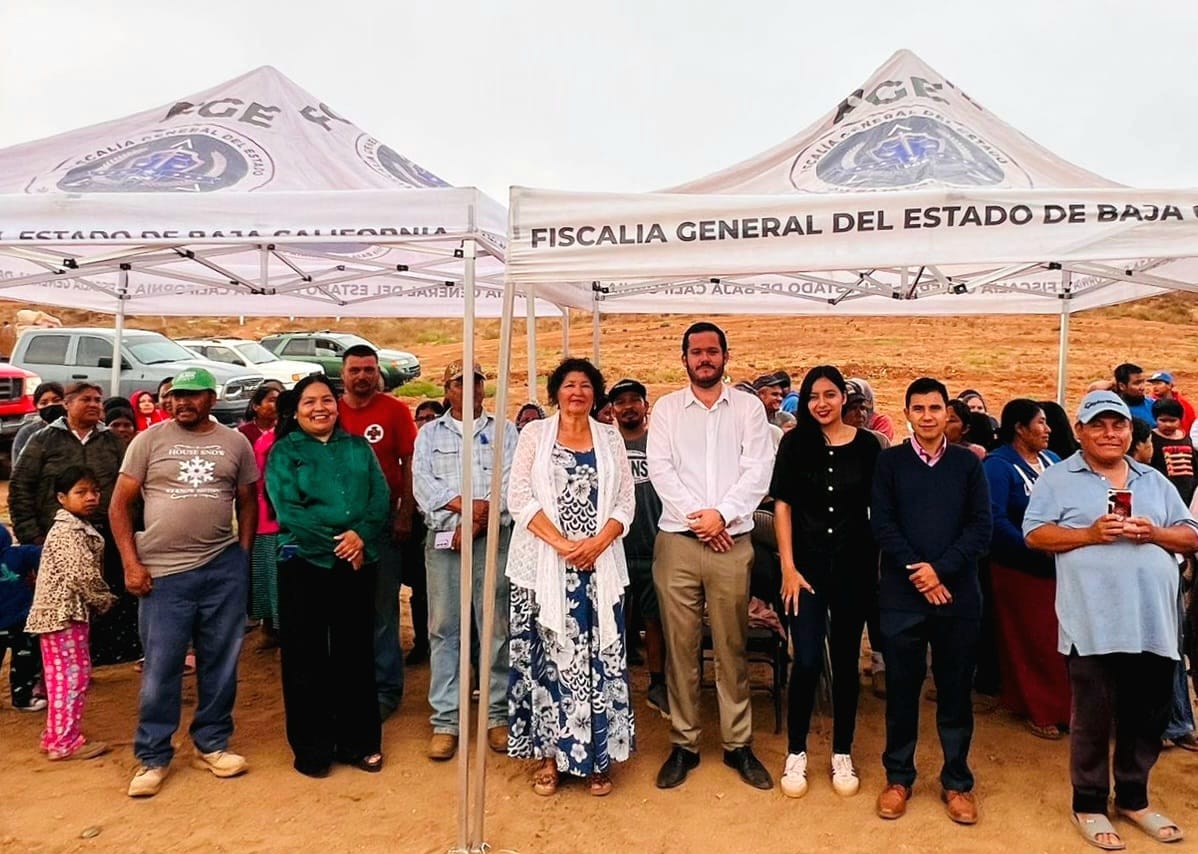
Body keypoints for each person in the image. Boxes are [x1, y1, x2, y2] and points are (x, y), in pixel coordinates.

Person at [1024, 389, 1197, 849]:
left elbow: (1190, 535)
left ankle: (1134, 799)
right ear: (1080, 431)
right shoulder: (1058, 478)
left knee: (1147, 715)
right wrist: (1088, 534)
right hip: (1092, 623)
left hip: (1154, 622)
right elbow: (1035, 535)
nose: (1109, 433)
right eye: (1097, 425)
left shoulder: (1153, 480)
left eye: (1117, 424)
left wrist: (1154, 532)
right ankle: (1089, 803)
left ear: (1129, 430)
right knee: (1093, 718)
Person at [109, 367, 258, 798]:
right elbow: (119, 506)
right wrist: (131, 563)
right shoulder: (148, 441)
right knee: (161, 667)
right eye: (176, 396)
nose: (181, 402)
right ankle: (153, 756)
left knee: (221, 662)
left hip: (221, 568)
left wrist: (242, 557)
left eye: (192, 395)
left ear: (212, 399)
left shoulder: (235, 442)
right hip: (163, 573)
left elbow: (248, 502)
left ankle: (211, 743)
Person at [648, 322, 774, 791]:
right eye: (696, 352)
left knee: (731, 645)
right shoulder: (666, 409)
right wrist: (702, 520)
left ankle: (738, 744)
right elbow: (660, 470)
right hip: (678, 543)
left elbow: (758, 469)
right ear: (684, 358)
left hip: (731, 544)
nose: (705, 358)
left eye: (712, 351)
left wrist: (722, 516)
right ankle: (684, 743)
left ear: (725, 356)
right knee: (680, 648)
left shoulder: (747, 408)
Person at [507, 358, 636, 797]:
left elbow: (626, 502)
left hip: (598, 567)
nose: (576, 392)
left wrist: (597, 543)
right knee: (546, 664)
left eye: (585, 385)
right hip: (543, 569)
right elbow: (518, 497)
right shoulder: (534, 434)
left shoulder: (610, 438)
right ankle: (549, 758)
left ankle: (597, 760)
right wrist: (564, 545)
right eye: (568, 385)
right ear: (555, 392)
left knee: (597, 663)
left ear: (595, 394)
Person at [871, 377, 991, 826]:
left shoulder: (967, 464)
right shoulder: (890, 462)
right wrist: (920, 572)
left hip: (957, 598)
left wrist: (940, 570)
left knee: (955, 693)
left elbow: (981, 527)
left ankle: (957, 781)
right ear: (907, 414)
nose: (927, 416)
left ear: (947, 414)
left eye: (935, 408)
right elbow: (882, 524)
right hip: (902, 598)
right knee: (902, 692)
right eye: (918, 408)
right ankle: (898, 778)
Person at [265, 375, 390, 777]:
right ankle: (312, 748)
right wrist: (340, 546)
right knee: (306, 655)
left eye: (326, 400)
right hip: (304, 562)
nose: (320, 408)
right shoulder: (285, 452)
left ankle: (360, 742)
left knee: (356, 652)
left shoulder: (358, 447)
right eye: (309, 402)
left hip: (358, 561)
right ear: (296, 410)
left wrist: (360, 536)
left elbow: (380, 498)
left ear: (337, 406)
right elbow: (289, 510)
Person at [771, 366, 881, 799]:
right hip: (807, 572)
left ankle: (842, 752)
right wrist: (788, 566)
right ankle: (796, 751)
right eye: (814, 396)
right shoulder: (794, 444)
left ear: (843, 398)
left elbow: (879, 506)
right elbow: (783, 505)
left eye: (830, 394)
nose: (822, 403)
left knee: (847, 662)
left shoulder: (868, 446)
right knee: (808, 659)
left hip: (854, 570)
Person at [412, 360, 518, 761]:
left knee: (495, 626)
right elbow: (423, 486)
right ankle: (446, 720)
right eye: (460, 383)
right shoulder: (428, 434)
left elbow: (510, 484)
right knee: (444, 628)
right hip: (444, 542)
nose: (470, 389)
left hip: (493, 539)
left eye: (476, 382)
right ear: (447, 390)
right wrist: (466, 510)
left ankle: (496, 715)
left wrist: (475, 523)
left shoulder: (505, 431)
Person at [9, 381, 137, 667]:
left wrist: (131, 531)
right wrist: (33, 539)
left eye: (98, 400)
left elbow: (131, 489)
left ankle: (105, 661)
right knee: (64, 606)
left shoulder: (112, 442)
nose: (94, 405)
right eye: (85, 399)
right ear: (66, 404)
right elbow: (20, 489)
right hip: (56, 537)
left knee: (108, 597)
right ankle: (63, 668)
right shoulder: (43, 440)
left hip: (107, 535)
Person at [337, 345, 418, 722]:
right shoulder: (331, 411)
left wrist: (405, 513)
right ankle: (351, 685)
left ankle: (386, 689)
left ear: (378, 373)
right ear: (343, 374)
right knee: (345, 608)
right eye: (355, 370)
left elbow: (409, 461)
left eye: (368, 369)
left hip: (385, 520)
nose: (362, 376)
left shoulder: (395, 410)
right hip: (339, 524)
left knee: (383, 608)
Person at [982, 400, 1067, 739]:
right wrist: (1033, 546)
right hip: (1019, 568)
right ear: (1019, 428)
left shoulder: (1053, 460)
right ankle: (1040, 708)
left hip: (1059, 564)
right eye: (1040, 422)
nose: (1048, 429)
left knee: (1059, 640)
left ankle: (1061, 706)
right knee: (1032, 641)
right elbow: (995, 518)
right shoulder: (998, 466)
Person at [24, 466, 116, 761]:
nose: (90, 497)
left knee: (61, 678)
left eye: (95, 491)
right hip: (65, 615)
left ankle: (55, 736)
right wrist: (104, 600)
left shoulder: (70, 526)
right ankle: (64, 742)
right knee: (72, 678)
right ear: (62, 498)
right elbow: (81, 574)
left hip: (58, 615)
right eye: (81, 492)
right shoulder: (69, 531)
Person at [608, 378, 669, 717]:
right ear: (612, 409)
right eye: (621, 402)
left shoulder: (659, 442)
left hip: (656, 545)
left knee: (655, 620)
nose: (628, 406)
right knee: (612, 620)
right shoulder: (606, 444)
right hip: (613, 549)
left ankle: (658, 684)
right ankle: (613, 684)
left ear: (647, 406)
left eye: (635, 400)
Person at [1146, 398, 1198, 752]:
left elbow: (1188, 532)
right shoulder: (1148, 483)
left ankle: (1175, 723)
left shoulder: (1160, 483)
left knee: (1172, 650)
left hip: (1171, 570)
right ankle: (1164, 724)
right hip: (1159, 574)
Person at [404, 400, 445, 666]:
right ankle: (422, 642)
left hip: (444, 523)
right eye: (422, 418)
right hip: (417, 525)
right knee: (420, 589)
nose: (427, 422)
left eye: (433, 417)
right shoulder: (413, 449)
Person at [0, 523, 43, 712]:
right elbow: (46, 553)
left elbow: (44, 554)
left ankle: (23, 698)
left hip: (21, 621)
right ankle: (23, 698)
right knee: (25, 662)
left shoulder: (17, 554)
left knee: (26, 661)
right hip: (21, 621)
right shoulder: (18, 553)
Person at [11, 381, 64, 464]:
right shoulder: (27, 433)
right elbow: (18, 466)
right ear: (36, 407)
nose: (50, 405)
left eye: (56, 400)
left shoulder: (76, 430)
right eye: (44, 403)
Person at [1147, 371, 1196, 436]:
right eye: (1153, 384)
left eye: (1158, 383)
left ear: (1169, 385)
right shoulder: (1149, 403)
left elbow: (1192, 423)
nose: (1154, 387)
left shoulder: (1183, 404)